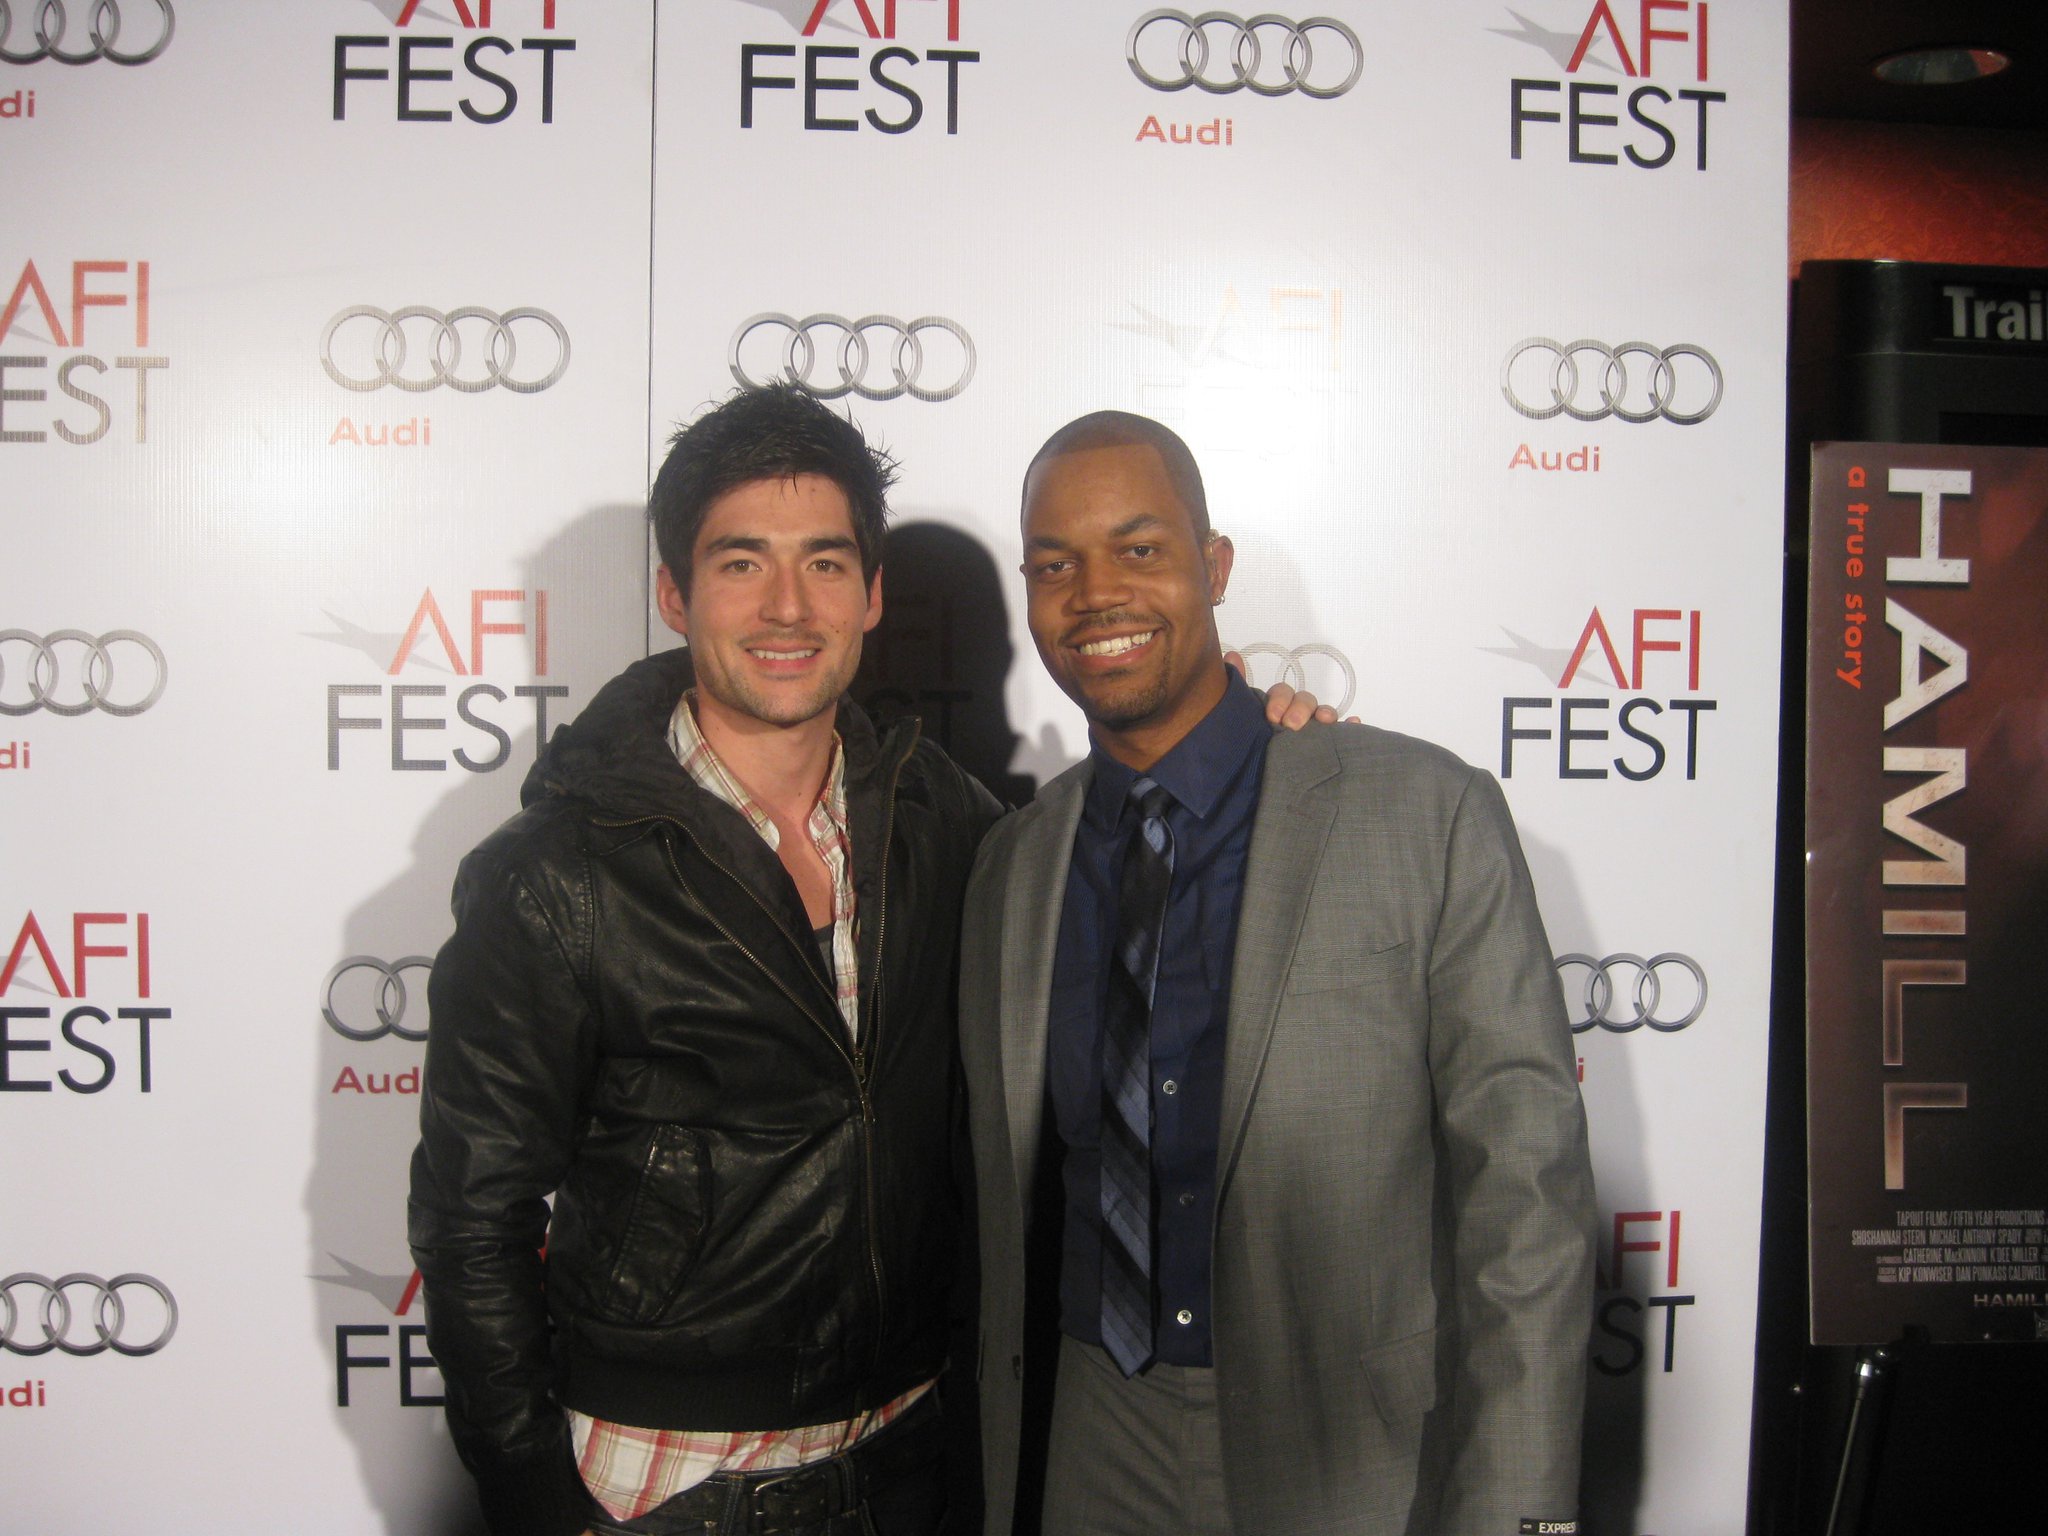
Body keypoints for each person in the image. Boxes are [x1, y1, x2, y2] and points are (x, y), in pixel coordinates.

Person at [408, 385, 1333, 1536]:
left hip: (917, 1461)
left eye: (826, 564)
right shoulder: (556, 873)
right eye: (741, 563)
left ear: (872, 592)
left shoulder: (951, 823)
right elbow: (470, 1221)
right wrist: (534, 1501)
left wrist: (1264, 748)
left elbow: (1139, 833)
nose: (787, 607)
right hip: (662, 1486)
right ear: (672, 591)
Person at [958, 411, 1598, 1536]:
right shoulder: (1011, 863)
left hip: (1351, 1447)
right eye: (1053, 566)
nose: (1094, 593)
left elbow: (1525, 1193)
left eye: (1139, 549)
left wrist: (1513, 1501)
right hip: (1085, 1432)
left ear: (1212, 569)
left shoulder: (1419, 811)